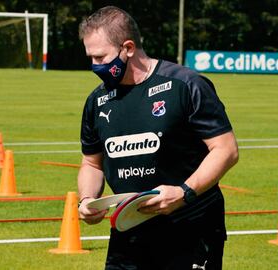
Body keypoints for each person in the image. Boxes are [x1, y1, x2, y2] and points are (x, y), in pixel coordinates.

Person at [77, 6, 239, 270]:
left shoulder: (186, 85)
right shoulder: (97, 101)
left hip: (191, 231)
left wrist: (183, 193)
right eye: (90, 58)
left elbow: (226, 150)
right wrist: (87, 201)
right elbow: (91, 164)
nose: (95, 66)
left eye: (100, 57)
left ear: (127, 48)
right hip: (128, 234)